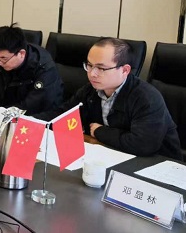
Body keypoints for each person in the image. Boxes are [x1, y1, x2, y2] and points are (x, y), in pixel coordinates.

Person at [35, 38, 182, 160]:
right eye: (89, 65)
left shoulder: (146, 98)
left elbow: (143, 144)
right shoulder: (90, 90)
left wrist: (100, 131)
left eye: (101, 68)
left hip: (157, 164)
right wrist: (29, 122)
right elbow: (62, 114)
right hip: (112, 155)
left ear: (125, 70)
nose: (92, 73)